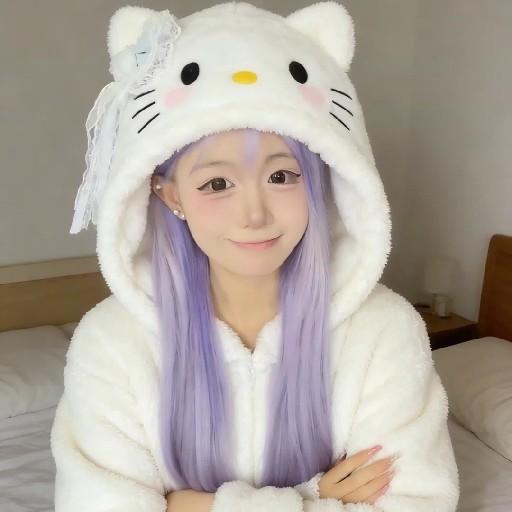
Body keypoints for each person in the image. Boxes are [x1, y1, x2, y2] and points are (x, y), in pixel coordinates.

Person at [50, 2, 460, 512]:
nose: (254, 215)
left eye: (281, 176)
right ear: (171, 195)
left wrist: (182, 504)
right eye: (216, 183)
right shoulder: (111, 342)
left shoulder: (384, 331)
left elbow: (416, 502)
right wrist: (310, 499)